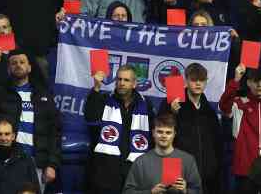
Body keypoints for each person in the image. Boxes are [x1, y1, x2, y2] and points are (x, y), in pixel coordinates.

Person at [0, 49, 62, 189]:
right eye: (13, 63)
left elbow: (55, 132)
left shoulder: (44, 95)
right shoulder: (1, 94)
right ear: (9, 69)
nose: (18, 65)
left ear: (30, 67)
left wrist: (52, 164)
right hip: (7, 163)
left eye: (22, 62)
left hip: (37, 164)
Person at [85, 64, 157, 194]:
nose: (121, 83)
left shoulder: (146, 105)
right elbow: (90, 117)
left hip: (133, 171)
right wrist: (96, 87)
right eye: (119, 79)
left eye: (126, 80)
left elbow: (153, 136)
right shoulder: (104, 100)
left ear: (134, 84)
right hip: (105, 171)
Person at [219, 65, 261, 193]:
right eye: (255, 81)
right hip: (246, 169)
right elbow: (223, 106)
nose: (259, 85)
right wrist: (236, 80)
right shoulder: (239, 104)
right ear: (249, 83)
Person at [158, 63, 222, 193]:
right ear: (186, 81)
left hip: (205, 176)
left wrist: (213, 168)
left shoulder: (209, 111)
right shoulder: (171, 103)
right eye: (193, 80)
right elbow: (160, 134)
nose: (198, 83)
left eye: (202, 80)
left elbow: (217, 144)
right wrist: (171, 113)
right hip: (176, 171)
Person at [122, 112, 203, 194]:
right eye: (160, 132)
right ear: (153, 133)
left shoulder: (188, 160)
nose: (164, 136)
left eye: (168, 132)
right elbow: (127, 192)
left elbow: (199, 191)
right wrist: (151, 192)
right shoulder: (140, 162)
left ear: (174, 134)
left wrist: (186, 191)